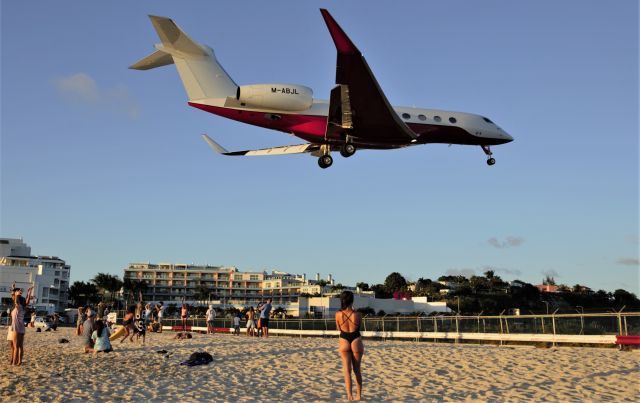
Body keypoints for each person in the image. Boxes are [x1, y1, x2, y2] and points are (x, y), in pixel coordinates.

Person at [335, 291, 364, 401]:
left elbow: (338, 329)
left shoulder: (338, 314)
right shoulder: (358, 314)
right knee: (357, 370)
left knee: (347, 370)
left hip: (344, 340)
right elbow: (358, 328)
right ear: (352, 300)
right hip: (356, 339)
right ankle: (359, 395)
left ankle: (349, 395)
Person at [9, 285, 33, 366]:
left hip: (16, 327)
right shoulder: (22, 308)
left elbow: (15, 299)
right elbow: (27, 301)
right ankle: (19, 362)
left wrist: (16, 292)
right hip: (21, 328)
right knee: (19, 346)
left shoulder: (18, 306)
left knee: (15, 346)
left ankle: (14, 363)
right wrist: (29, 292)